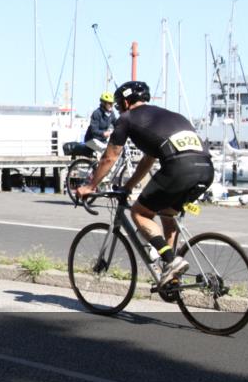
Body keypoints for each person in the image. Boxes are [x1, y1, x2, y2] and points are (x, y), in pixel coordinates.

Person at [75, 81, 214, 287]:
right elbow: (148, 160)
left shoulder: (127, 118)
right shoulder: (169, 116)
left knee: (139, 213)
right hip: (206, 169)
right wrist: (128, 186)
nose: (118, 109)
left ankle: (171, 261)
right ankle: (172, 276)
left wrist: (90, 186)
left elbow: (109, 157)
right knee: (167, 214)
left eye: (118, 105)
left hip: (179, 169)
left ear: (125, 102)